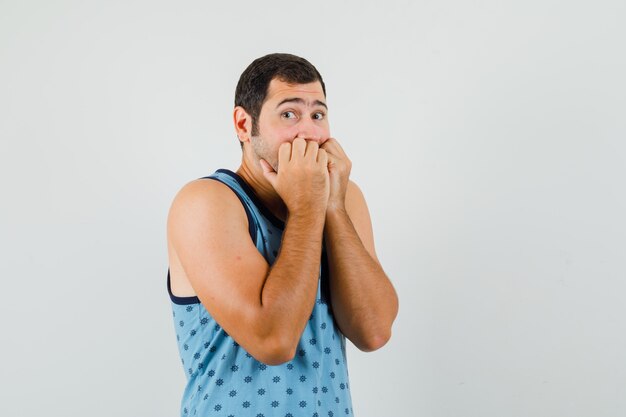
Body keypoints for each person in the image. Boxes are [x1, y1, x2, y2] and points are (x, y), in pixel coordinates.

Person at [166, 53, 399, 417]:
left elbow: (374, 331)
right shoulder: (206, 202)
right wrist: (307, 208)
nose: (308, 132)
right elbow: (273, 341)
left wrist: (333, 207)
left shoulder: (342, 197)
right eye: (289, 114)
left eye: (317, 115)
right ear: (244, 125)